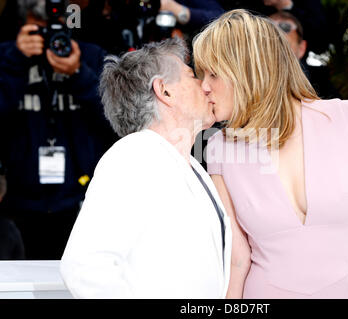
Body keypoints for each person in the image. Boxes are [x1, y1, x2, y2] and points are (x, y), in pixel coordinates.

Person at [193, 9, 348, 298]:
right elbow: (238, 259)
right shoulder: (218, 147)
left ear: (249, 69)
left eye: (213, 73)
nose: (205, 86)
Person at [60, 38, 232, 298]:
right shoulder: (134, 157)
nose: (205, 86)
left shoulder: (189, 165)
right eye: (192, 76)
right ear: (164, 91)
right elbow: (85, 266)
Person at [0, 0, 116, 260]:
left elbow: (116, 122)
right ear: (23, 25)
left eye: (54, 30)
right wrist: (16, 63)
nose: (49, 39)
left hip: (81, 202)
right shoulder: (7, 57)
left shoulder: (91, 56)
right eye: (38, 31)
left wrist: (78, 74)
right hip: (18, 201)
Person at [269, 10, 340, 99]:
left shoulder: (322, 86)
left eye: (284, 46)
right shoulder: (249, 82)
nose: (275, 52)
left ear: (301, 48)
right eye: (268, 45)